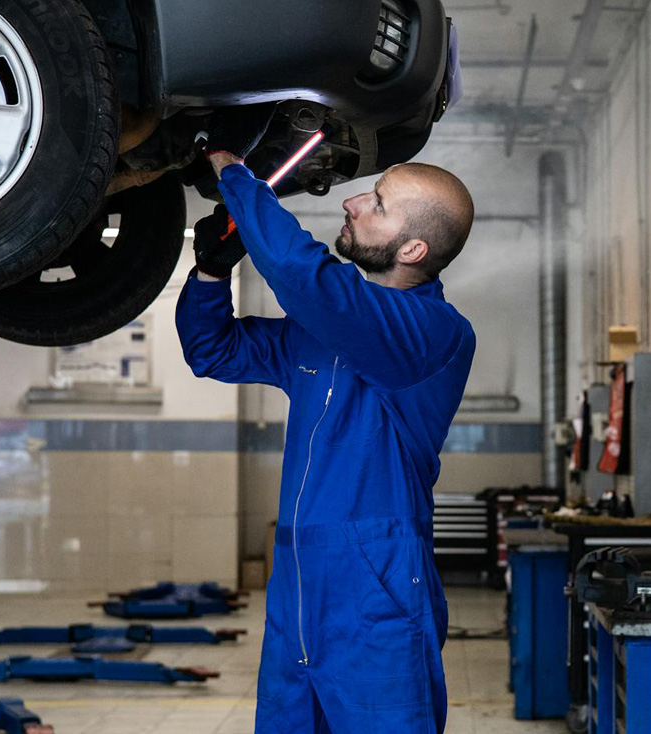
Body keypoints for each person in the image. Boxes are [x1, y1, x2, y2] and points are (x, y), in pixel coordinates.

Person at [175, 108, 476, 734]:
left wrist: (236, 175)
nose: (354, 201)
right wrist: (210, 269)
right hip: (298, 583)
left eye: (379, 201)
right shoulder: (324, 335)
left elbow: (303, 278)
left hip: (377, 584)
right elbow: (215, 351)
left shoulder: (434, 334)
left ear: (413, 248)